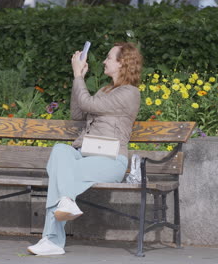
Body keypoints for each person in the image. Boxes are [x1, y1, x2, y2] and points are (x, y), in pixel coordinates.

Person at [27, 42, 143, 256]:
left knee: (61, 176)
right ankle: (67, 203)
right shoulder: (104, 90)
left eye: (109, 57)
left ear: (122, 63)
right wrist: (76, 79)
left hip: (110, 160)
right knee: (61, 150)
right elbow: (78, 114)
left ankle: (52, 239)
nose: (104, 61)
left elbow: (88, 105)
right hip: (84, 153)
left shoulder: (130, 93)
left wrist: (79, 75)